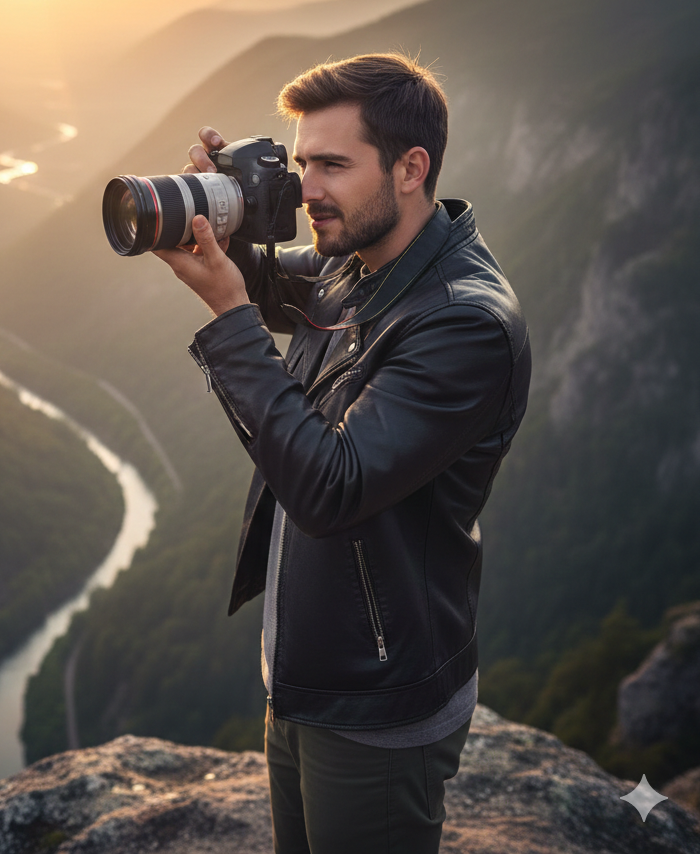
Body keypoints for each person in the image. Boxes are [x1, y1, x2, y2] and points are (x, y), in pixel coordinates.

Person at [153, 53, 531, 853]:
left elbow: (330, 487)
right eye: (299, 165)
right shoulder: (361, 262)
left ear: (410, 168)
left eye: (332, 164)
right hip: (308, 679)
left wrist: (227, 319)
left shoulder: (464, 324)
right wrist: (219, 220)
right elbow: (274, 282)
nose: (307, 189)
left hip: (379, 704)